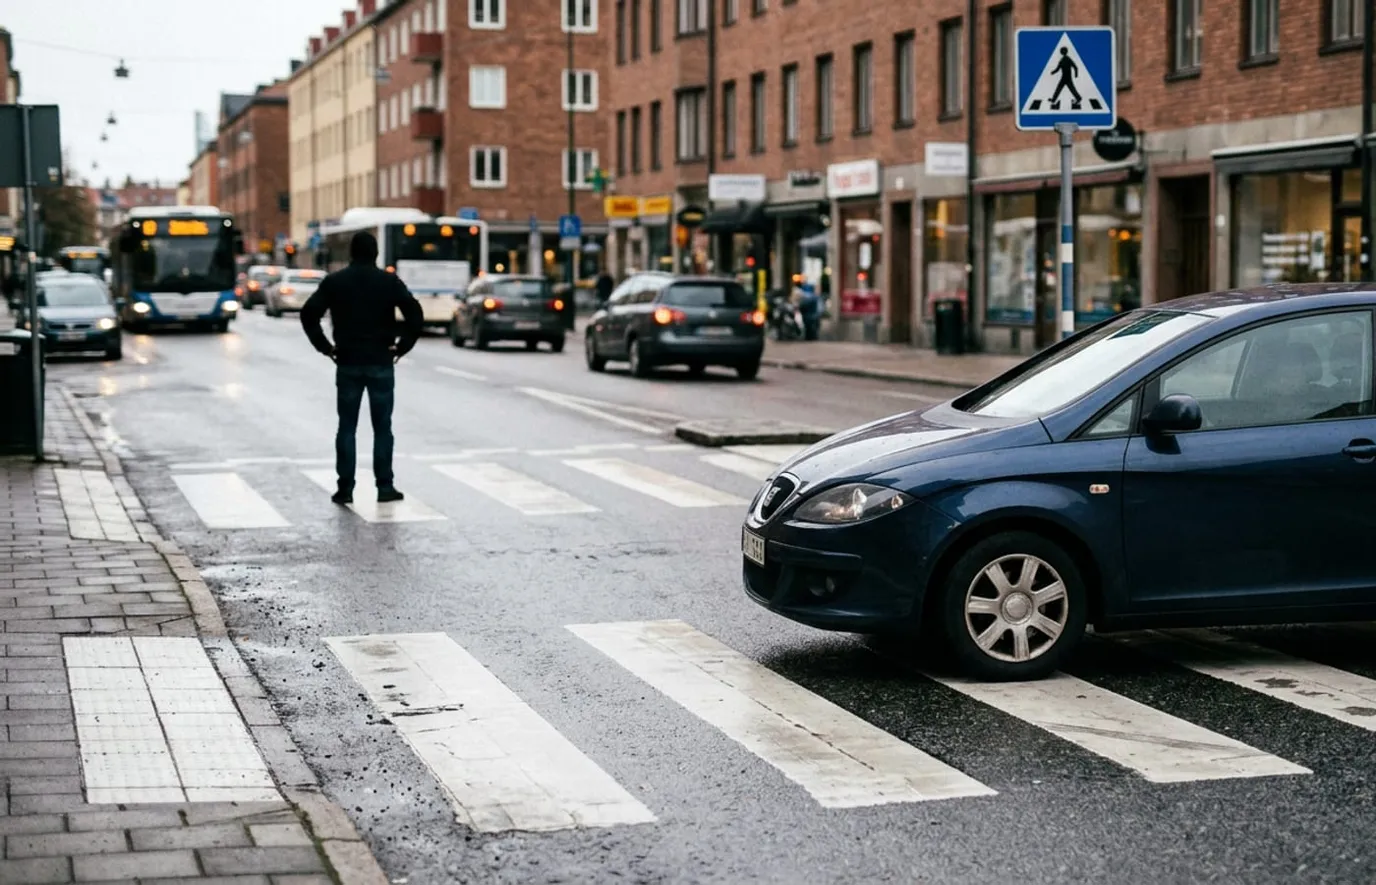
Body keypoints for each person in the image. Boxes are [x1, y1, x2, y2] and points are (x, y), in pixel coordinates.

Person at [300, 231, 423, 506]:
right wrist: (402, 347)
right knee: (383, 428)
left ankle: (345, 489)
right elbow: (415, 314)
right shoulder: (389, 282)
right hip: (381, 361)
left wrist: (326, 346)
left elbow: (308, 314)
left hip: (348, 362)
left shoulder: (335, 282)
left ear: (351, 253)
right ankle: (385, 486)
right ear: (375, 253)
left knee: (346, 427)